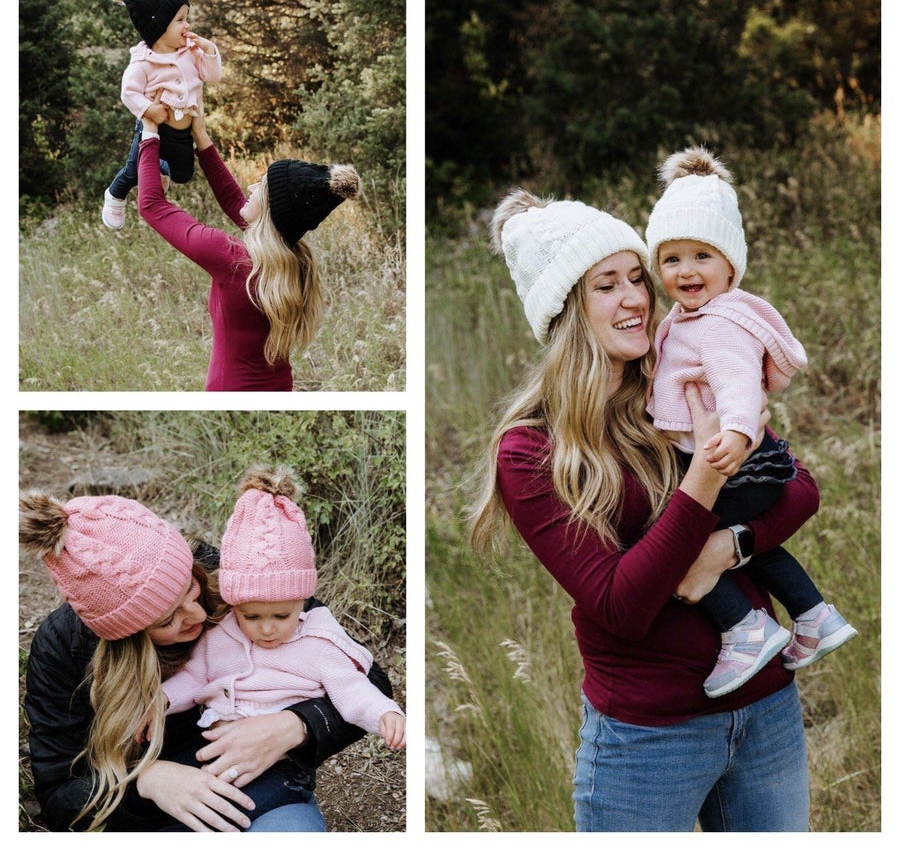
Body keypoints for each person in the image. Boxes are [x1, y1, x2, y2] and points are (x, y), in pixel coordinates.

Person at [470, 187, 820, 831]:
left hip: (766, 711)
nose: (635, 297)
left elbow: (799, 488)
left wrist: (726, 549)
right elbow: (621, 606)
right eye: (607, 286)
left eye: (637, 276)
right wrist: (706, 478)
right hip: (649, 740)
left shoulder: (677, 380)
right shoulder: (532, 450)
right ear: (565, 310)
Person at [20, 490, 394, 832]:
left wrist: (296, 725)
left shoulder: (234, 573)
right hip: (148, 818)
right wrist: (145, 781)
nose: (197, 615)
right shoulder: (64, 646)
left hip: (260, 792)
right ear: (128, 633)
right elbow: (58, 796)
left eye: (189, 588)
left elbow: (367, 678)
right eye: (167, 620)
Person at [645, 146, 857, 698]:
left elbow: (737, 381)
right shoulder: (689, 318)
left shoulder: (719, 323)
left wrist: (738, 433)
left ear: (730, 266)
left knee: (681, 540)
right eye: (671, 259)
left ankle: (745, 628)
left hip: (737, 462)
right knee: (743, 543)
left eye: (701, 255)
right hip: (740, 463)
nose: (686, 270)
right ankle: (814, 616)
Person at [149, 465, 406, 827]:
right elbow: (195, 678)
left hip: (279, 767)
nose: (267, 629)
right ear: (233, 605)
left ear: (303, 602)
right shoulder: (221, 632)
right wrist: (161, 701)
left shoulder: (317, 643)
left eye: (282, 616)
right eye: (251, 616)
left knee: (232, 813)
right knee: (183, 808)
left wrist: (384, 714)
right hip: (212, 751)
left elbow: (352, 690)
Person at [136, 108, 358, 390]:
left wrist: (149, 129)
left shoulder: (233, 260)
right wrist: (200, 136)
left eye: (260, 187)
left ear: (269, 209)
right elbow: (236, 202)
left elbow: (152, 206)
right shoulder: (294, 260)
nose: (251, 187)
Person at [102, 0, 222, 230]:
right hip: (152, 129)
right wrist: (149, 109)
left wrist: (209, 50)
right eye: (180, 20)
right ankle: (115, 194)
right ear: (158, 27)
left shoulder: (191, 52)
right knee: (134, 170)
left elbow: (212, 75)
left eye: (187, 18)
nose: (187, 25)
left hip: (182, 132)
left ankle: (160, 169)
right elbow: (129, 93)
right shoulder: (142, 63)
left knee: (183, 174)